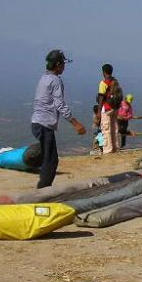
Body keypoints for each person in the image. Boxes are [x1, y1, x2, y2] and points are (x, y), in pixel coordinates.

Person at [31, 50, 86, 188]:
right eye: (62, 64)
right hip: (45, 124)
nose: (64, 67)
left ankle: (43, 187)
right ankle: (43, 191)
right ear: (57, 65)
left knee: (48, 157)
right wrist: (76, 123)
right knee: (51, 160)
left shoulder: (44, 78)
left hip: (37, 122)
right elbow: (60, 105)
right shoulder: (55, 81)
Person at [96, 64, 121, 154]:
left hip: (106, 108)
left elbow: (101, 97)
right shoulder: (115, 82)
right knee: (115, 128)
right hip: (115, 108)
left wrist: (99, 112)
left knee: (106, 130)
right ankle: (116, 148)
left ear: (104, 72)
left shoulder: (103, 83)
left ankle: (108, 150)